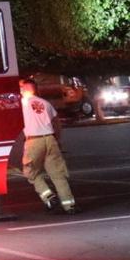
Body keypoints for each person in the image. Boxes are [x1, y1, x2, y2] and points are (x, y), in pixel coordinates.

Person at [19, 77, 78, 214]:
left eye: (21, 87)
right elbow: (56, 123)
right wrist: (56, 139)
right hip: (50, 139)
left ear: (24, 89)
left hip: (33, 141)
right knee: (58, 175)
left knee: (31, 172)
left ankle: (48, 197)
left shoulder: (22, 104)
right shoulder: (46, 104)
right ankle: (69, 206)